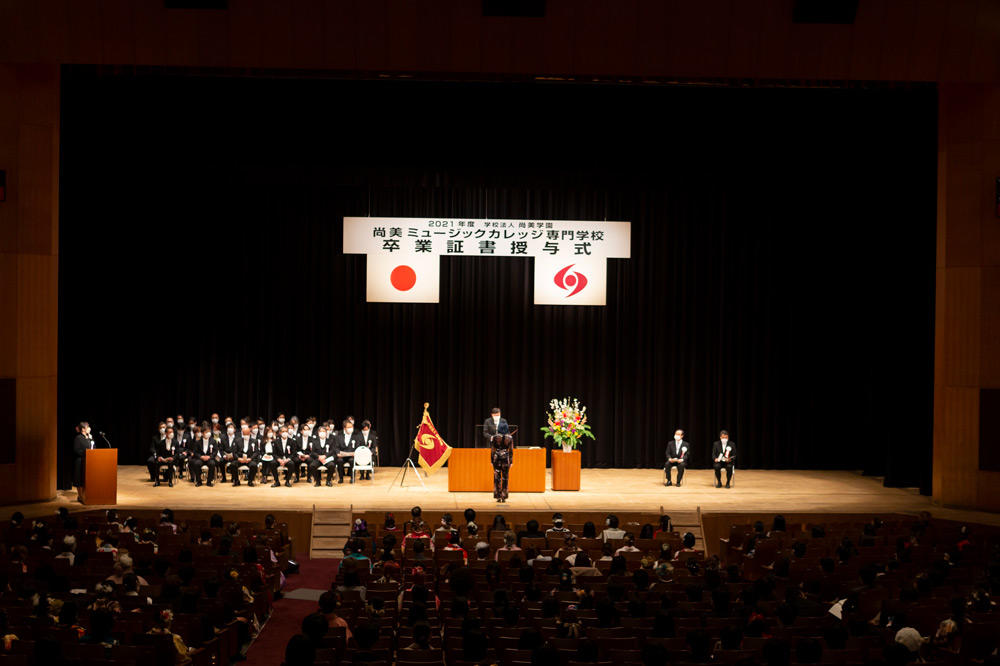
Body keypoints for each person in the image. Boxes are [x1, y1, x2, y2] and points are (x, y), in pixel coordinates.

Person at [490, 422, 514, 502]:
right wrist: (511, 462)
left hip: (496, 459)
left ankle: (498, 496)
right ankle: (504, 496)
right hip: (505, 459)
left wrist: (491, 460)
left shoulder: (494, 437)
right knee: (505, 478)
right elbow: (511, 451)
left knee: (497, 478)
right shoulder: (509, 438)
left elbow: (492, 450)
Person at [333, 419, 360, 483]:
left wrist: (355, 453)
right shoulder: (339, 437)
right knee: (339, 461)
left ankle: (352, 478)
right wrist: (338, 453)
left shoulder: (356, 437)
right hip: (342, 456)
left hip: (352, 456)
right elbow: (336, 447)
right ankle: (341, 478)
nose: (350, 428)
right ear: (344, 428)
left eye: (351, 427)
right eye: (349, 427)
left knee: (351, 460)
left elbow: (358, 447)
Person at [72, 421, 95, 497]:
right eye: (87, 427)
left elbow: (93, 448)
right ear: (83, 429)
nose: (89, 428)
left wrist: (91, 439)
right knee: (79, 480)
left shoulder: (90, 437)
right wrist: (86, 454)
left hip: (89, 461)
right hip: (80, 461)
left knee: (87, 479)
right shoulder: (78, 438)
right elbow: (76, 450)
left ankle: (86, 495)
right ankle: (80, 496)